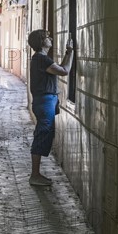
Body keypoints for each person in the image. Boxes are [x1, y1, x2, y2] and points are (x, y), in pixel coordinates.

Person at [28, 29, 74, 185]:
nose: (51, 39)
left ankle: (36, 174)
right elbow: (64, 71)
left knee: (44, 133)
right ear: (42, 41)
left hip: (45, 101)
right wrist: (72, 53)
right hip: (45, 102)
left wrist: (67, 53)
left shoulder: (41, 59)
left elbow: (59, 68)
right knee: (42, 134)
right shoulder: (42, 59)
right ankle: (35, 175)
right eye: (47, 37)